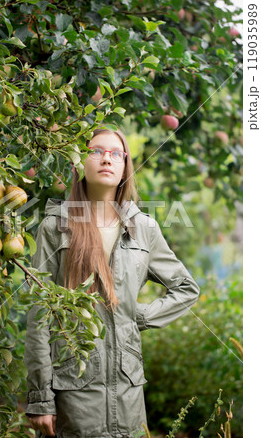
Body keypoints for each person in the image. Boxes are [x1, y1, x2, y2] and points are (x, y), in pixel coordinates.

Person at [24, 127, 200, 438]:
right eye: (96, 151)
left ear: (124, 167)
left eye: (116, 154)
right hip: (73, 390)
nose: (107, 159)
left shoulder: (143, 228)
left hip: (128, 391)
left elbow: (186, 289)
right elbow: (39, 317)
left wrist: (137, 315)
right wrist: (41, 400)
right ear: (80, 162)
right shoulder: (56, 227)